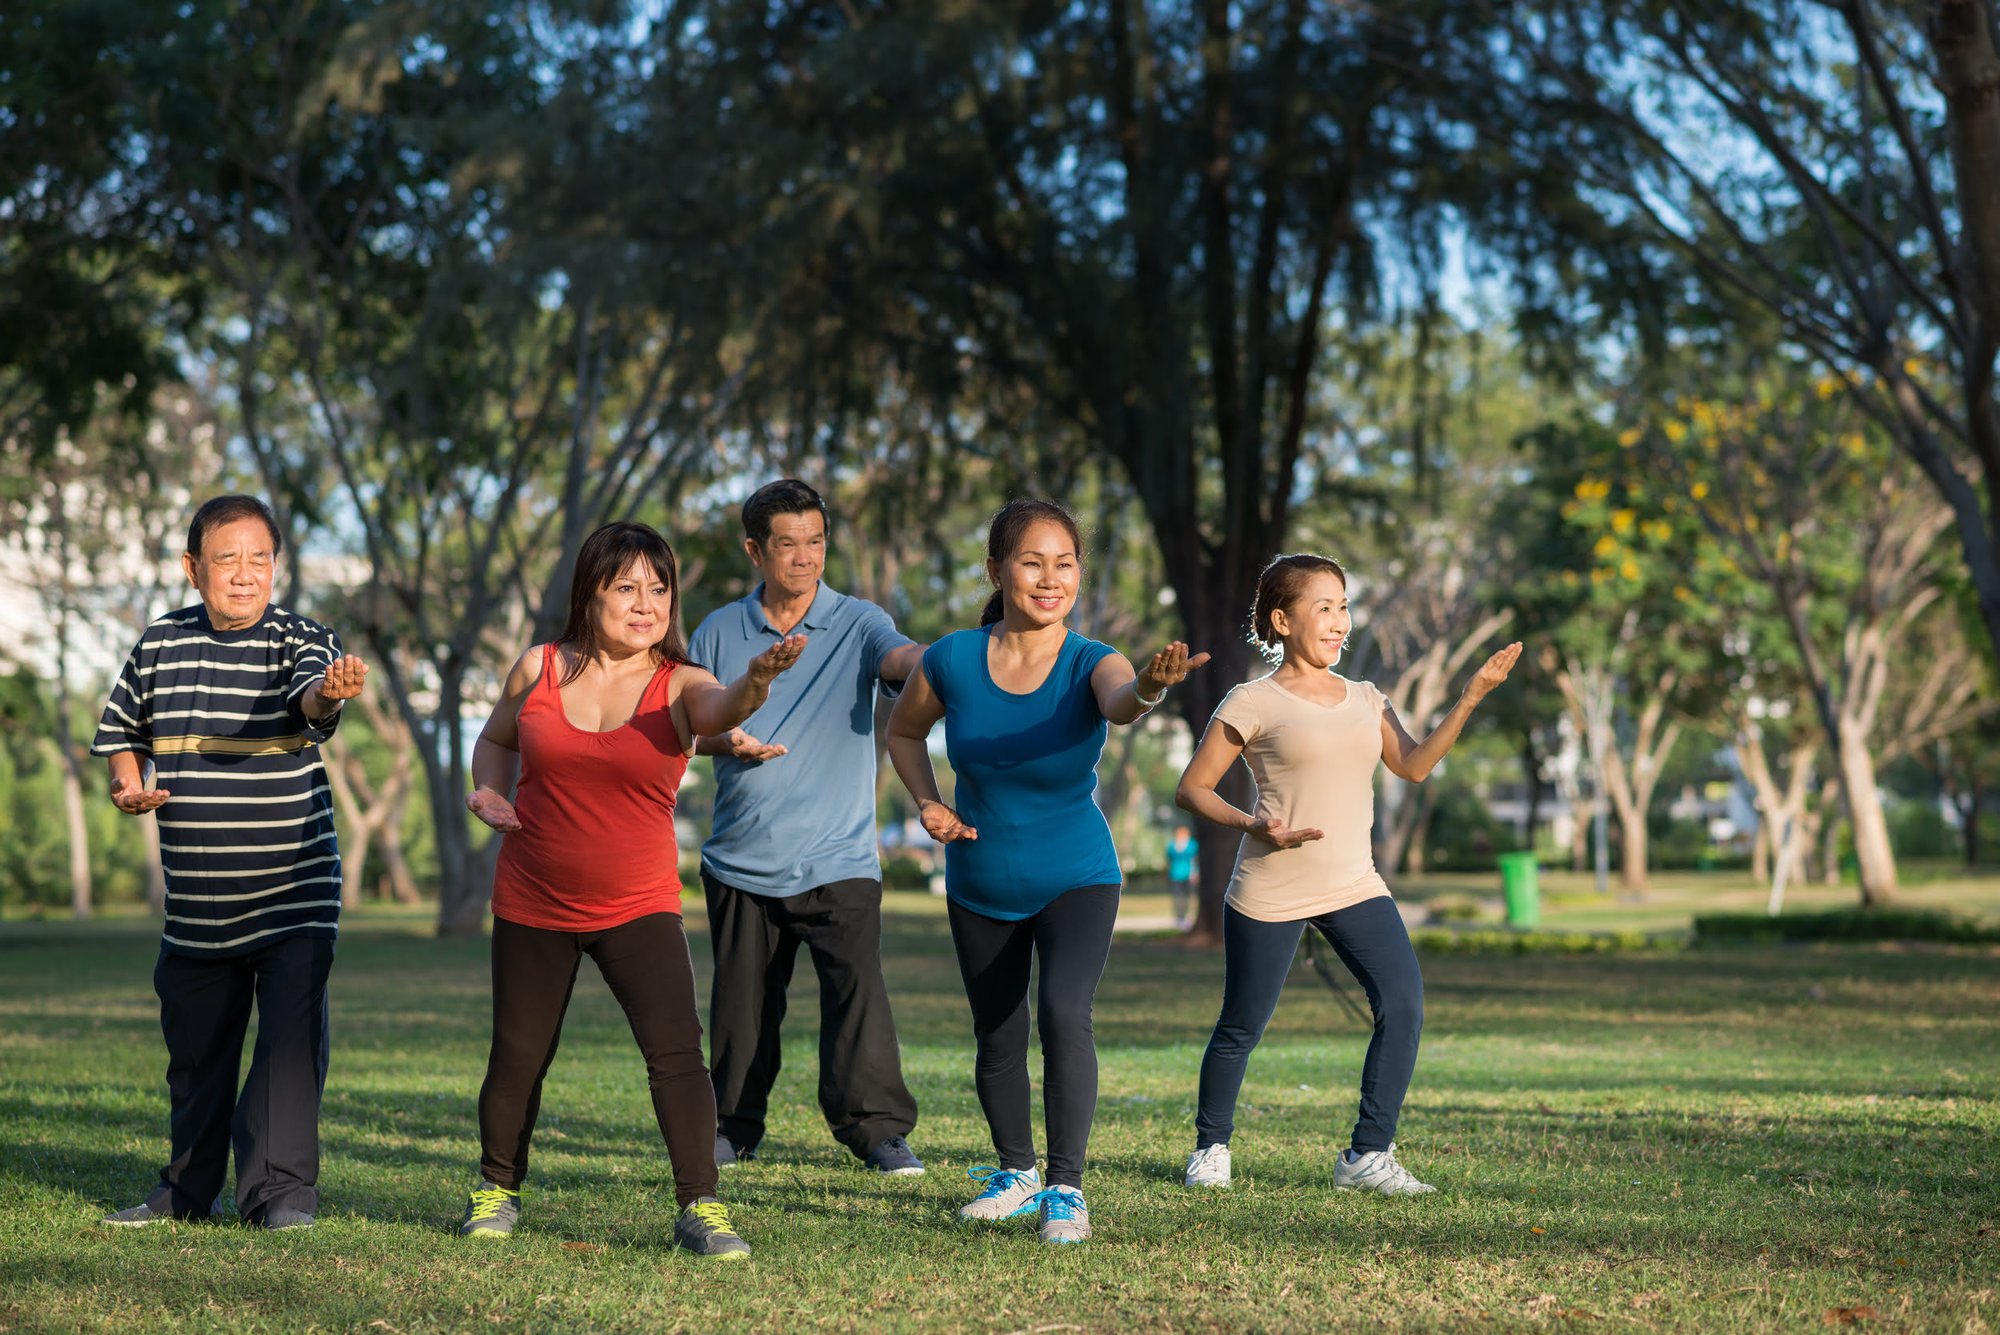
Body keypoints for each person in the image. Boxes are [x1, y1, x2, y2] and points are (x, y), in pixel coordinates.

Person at [457, 522, 802, 1259]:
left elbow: (719, 710)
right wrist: (486, 791)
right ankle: (496, 1188)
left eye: (658, 587)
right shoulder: (539, 667)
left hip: (638, 904)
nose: (645, 602)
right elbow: (494, 740)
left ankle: (701, 1207)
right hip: (532, 897)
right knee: (517, 1054)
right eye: (626, 586)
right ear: (591, 592)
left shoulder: (679, 681)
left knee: (676, 1052)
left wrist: (756, 683)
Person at [886, 498, 1208, 1245]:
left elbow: (1122, 703)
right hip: (980, 879)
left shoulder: (1095, 660)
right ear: (997, 570)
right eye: (1032, 561)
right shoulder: (953, 659)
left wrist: (1154, 686)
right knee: (997, 1031)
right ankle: (1017, 1174)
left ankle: (1065, 1187)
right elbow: (903, 730)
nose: (1049, 577)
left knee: (1063, 1012)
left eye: (1064, 563)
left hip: (1077, 876)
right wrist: (928, 803)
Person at [1174, 554, 1520, 1195]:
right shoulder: (1252, 700)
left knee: (1405, 1003)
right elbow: (1192, 789)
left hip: (1354, 882)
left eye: (1344, 606)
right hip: (1271, 885)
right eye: (1324, 607)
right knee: (1242, 1024)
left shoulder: (1367, 699)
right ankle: (1211, 1147)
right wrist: (1255, 826)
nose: (1340, 622)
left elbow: (1413, 766)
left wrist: (1470, 697)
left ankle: (1367, 1155)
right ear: (1282, 620)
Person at [93, 495, 367, 1231]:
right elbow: (124, 730)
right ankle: (184, 1191)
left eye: (260, 559)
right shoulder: (158, 644)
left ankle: (280, 1197)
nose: (245, 574)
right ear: (193, 567)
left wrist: (326, 696)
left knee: (286, 1052)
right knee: (196, 1058)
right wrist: (127, 782)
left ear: (276, 566)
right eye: (227, 559)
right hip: (196, 902)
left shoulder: (301, 638)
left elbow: (310, 696)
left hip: (292, 892)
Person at [687, 480, 929, 1176]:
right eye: (788, 543)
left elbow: (898, 658)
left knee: (859, 995)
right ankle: (731, 1125)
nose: (805, 557)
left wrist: (938, 659)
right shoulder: (717, 631)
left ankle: (876, 1129)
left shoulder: (857, 620)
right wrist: (725, 741)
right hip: (742, 857)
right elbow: (689, 728)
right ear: (755, 549)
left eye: (816, 541)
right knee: (743, 1007)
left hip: (839, 855)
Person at [1165, 825, 1200, 930]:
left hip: (1189, 875)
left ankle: (1188, 917)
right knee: (1177, 897)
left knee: (1189, 897)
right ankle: (1179, 918)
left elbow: (1195, 860)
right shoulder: (1172, 845)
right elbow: (1169, 860)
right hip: (1175, 875)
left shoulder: (1192, 845)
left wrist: (1195, 873)